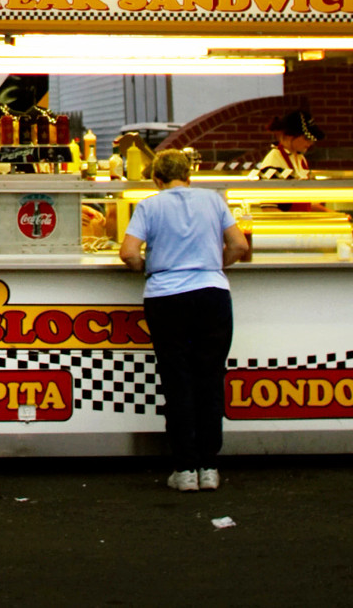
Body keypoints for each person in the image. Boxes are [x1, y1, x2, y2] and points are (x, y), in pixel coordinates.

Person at [119, 148, 251, 493]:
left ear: (156, 179)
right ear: (189, 176)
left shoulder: (149, 205)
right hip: (212, 294)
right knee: (209, 377)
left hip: (166, 298)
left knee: (177, 380)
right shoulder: (213, 200)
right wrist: (215, 265)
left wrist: (148, 267)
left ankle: (185, 468)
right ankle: (209, 466)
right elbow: (239, 245)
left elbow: (129, 252)